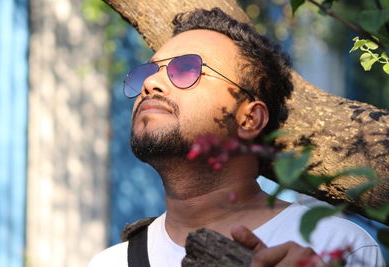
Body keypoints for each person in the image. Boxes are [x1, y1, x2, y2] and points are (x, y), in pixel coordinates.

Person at [89, 8, 384, 267]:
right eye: (148, 71)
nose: (151, 83)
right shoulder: (110, 262)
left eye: (186, 69)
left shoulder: (334, 245)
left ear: (249, 118)